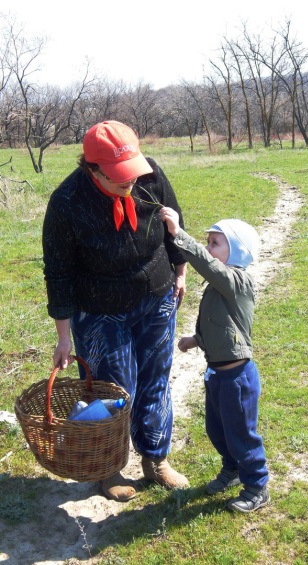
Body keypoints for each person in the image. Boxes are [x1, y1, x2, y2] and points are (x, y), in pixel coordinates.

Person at [42, 120, 189, 501]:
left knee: (156, 377)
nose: (130, 182)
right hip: (100, 311)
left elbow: (173, 221)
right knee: (114, 390)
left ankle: (155, 458)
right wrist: (62, 335)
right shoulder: (67, 203)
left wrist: (180, 269)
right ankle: (109, 467)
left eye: (132, 170)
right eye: (118, 175)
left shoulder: (149, 175)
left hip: (155, 296)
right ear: (92, 168)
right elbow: (58, 272)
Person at [160, 206, 270, 513]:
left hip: (238, 378)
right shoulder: (221, 285)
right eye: (207, 242)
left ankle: (257, 486)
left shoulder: (238, 281)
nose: (209, 249)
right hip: (218, 375)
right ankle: (232, 469)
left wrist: (179, 234)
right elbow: (221, 323)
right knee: (217, 429)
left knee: (241, 434)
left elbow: (209, 266)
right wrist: (196, 340)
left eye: (215, 243)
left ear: (237, 251)